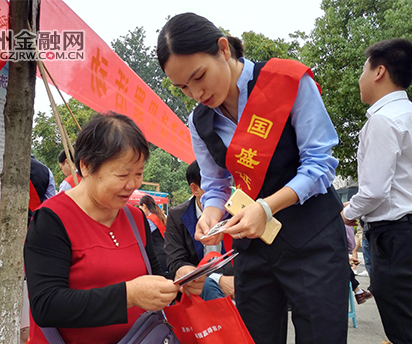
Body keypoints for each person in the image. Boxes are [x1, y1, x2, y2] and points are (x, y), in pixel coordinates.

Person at [157, 13, 349, 343]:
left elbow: (320, 165)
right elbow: (216, 183)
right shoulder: (199, 122)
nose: (196, 92)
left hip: (313, 239)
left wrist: (266, 208)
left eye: (199, 76)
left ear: (223, 49)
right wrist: (212, 216)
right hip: (255, 249)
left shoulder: (286, 81)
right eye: (183, 87)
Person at [24, 113, 204, 343]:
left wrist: (179, 280)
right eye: (122, 175)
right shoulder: (52, 220)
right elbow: (46, 304)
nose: (132, 185)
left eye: (138, 173)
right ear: (86, 166)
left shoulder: (135, 218)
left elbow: (154, 277)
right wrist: (128, 295)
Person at [342, 38, 412, 344]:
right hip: (401, 233)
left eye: (363, 68)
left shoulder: (383, 121)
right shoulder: (406, 114)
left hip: (395, 236)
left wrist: (346, 213)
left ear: (379, 71)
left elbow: (373, 192)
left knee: (403, 325)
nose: (360, 78)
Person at [164, 160, 235, 301]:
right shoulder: (177, 216)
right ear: (194, 189)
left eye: (226, 186)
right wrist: (216, 279)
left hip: (236, 286)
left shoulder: (237, 210)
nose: (224, 193)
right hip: (198, 291)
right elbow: (175, 261)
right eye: (214, 187)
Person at [138, 195, 168, 271]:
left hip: (158, 254)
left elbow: (142, 236)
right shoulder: (159, 216)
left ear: (144, 206)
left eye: (140, 208)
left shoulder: (150, 220)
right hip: (165, 251)